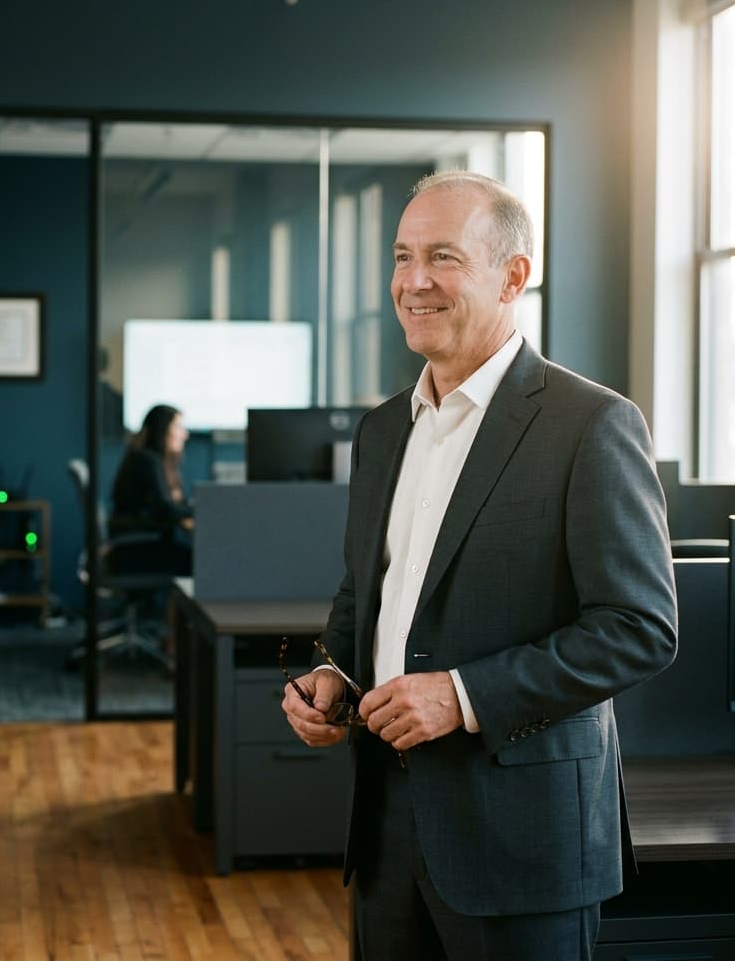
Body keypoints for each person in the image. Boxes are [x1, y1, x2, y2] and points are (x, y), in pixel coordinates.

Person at [281, 172, 678, 960]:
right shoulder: (383, 430)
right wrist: (334, 673)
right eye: (402, 256)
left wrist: (462, 696)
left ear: (512, 276)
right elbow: (367, 588)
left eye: (443, 257)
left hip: (523, 838)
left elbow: (639, 628)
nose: (413, 281)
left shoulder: (591, 424)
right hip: (387, 825)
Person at [108, 403, 193, 575]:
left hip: (131, 547)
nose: (185, 435)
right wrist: (205, 508)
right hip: (135, 551)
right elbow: (165, 509)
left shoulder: (144, 457)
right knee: (205, 562)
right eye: (178, 427)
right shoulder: (148, 460)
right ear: (162, 430)